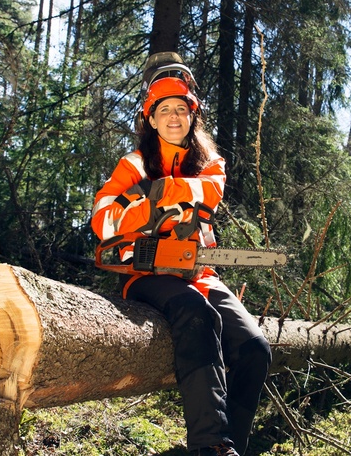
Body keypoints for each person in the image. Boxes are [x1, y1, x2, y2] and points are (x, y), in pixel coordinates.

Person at [91, 53, 271, 456]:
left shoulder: (210, 163)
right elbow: (103, 220)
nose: (174, 117)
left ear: (193, 116)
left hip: (197, 272)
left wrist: (166, 191)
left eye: (181, 109)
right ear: (150, 118)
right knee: (197, 314)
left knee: (255, 349)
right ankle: (210, 445)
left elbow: (208, 193)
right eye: (165, 110)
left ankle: (231, 447)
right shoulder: (134, 164)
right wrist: (147, 208)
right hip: (148, 274)